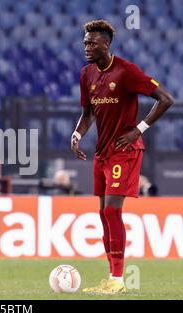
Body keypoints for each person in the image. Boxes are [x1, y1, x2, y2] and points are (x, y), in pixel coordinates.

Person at [71, 20, 174, 294]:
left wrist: (138, 130)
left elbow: (165, 99)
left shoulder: (126, 71)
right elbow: (88, 114)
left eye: (92, 43)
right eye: (85, 43)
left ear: (106, 44)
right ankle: (111, 277)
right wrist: (77, 134)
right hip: (102, 152)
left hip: (124, 151)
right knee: (103, 215)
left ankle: (118, 280)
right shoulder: (87, 74)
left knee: (112, 210)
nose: (87, 47)